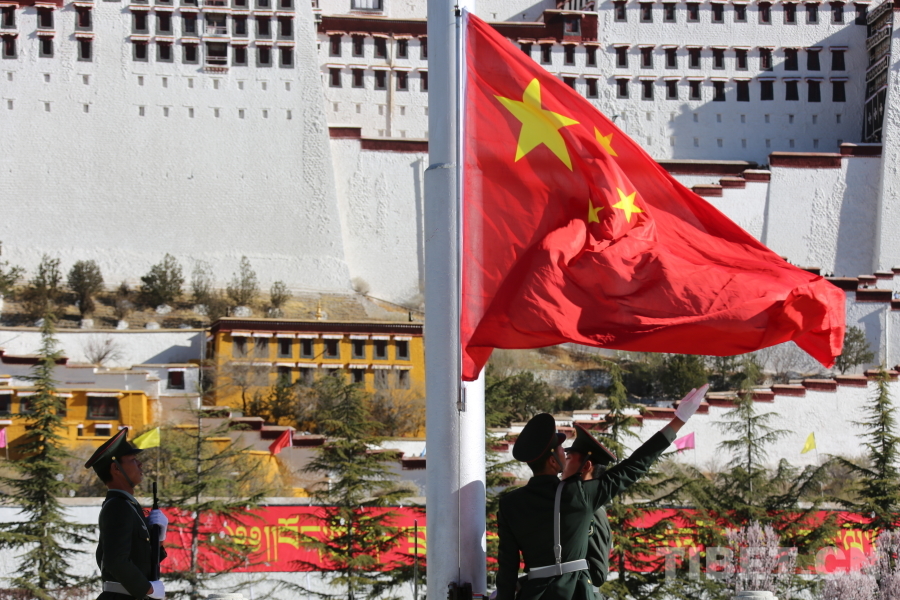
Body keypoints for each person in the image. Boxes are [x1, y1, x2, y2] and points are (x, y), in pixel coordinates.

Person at [496, 384, 709, 600]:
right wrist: (679, 420)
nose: (564, 453)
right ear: (552, 461)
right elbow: (634, 466)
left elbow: (507, 569)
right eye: (561, 450)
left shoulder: (509, 504)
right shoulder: (577, 494)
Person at [84, 429, 168, 600]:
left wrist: (159, 538)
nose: (140, 464)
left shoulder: (128, 506)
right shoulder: (118, 507)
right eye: (133, 460)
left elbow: (141, 562)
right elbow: (115, 561)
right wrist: (148, 589)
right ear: (116, 468)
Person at [561, 425, 617, 595]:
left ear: (586, 466)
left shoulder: (593, 512)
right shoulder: (576, 504)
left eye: (568, 459)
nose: (563, 465)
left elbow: (598, 573)